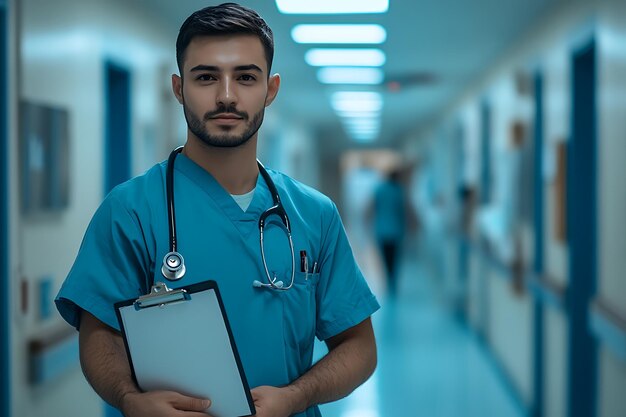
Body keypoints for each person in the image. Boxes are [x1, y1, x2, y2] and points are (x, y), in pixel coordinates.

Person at [54, 3, 379, 417]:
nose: (226, 96)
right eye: (206, 77)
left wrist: (297, 397)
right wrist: (129, 399)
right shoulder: (130, 210)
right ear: (178, 88)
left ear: (271, 88)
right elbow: (99, 335)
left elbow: (359, 345)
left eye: (245, 77)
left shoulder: (314, 213)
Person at [369, 169, 415, 296]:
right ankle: (392, 281)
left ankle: (388, 279)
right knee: (395, 258)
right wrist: (412, 226)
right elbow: (406, 210)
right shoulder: (399, 191)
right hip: (396, 231)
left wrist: (367, 223)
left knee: (385, 257)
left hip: (381, 230)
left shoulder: (379, 189)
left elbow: (371, 208)